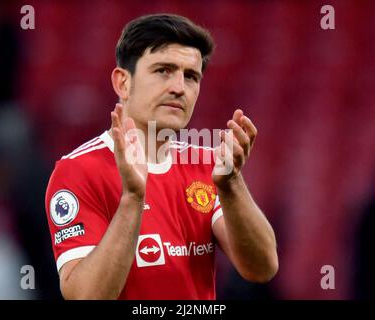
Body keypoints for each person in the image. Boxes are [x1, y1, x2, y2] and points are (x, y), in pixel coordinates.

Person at [45, 13, 278, 300]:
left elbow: (262, 268)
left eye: (191, 76)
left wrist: (231, 184)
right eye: (163, 70)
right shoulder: (78, 171)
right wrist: (132, 198)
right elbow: (86, 297)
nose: (179, 87)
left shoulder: (207, 165)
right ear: (123, 83)